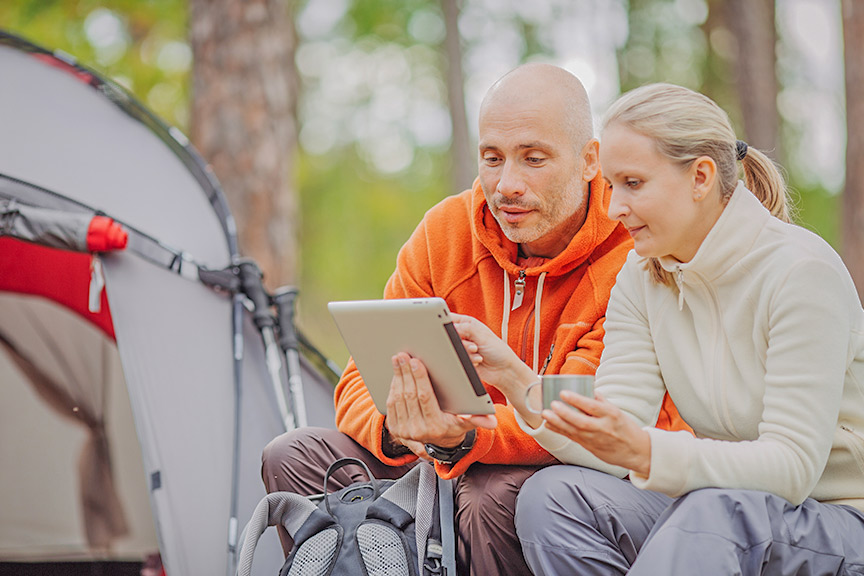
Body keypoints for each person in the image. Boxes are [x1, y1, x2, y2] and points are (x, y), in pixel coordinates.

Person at [261, 64, 688, 576]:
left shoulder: (630, 257)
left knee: (493, 490)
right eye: (492, 159)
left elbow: (596, 410)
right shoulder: (444, 233)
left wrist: (466, 437)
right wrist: (403, 431)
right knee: (292, 454)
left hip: (563, 469)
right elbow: (358, 381)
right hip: (442, 455)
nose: (507, 185)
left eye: (534, 159)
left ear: (589, 160)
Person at [453, 82, 864, 575]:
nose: (612, 208)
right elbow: (616, 423)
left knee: (714, 511)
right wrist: (515, 380)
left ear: (701, 177)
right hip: (720, 508)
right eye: (610, 186)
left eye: (633, 184)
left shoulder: (801, 272)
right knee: (553, 496)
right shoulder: (642, 275)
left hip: (838, 518)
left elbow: (793, 469)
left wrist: (646, 450)